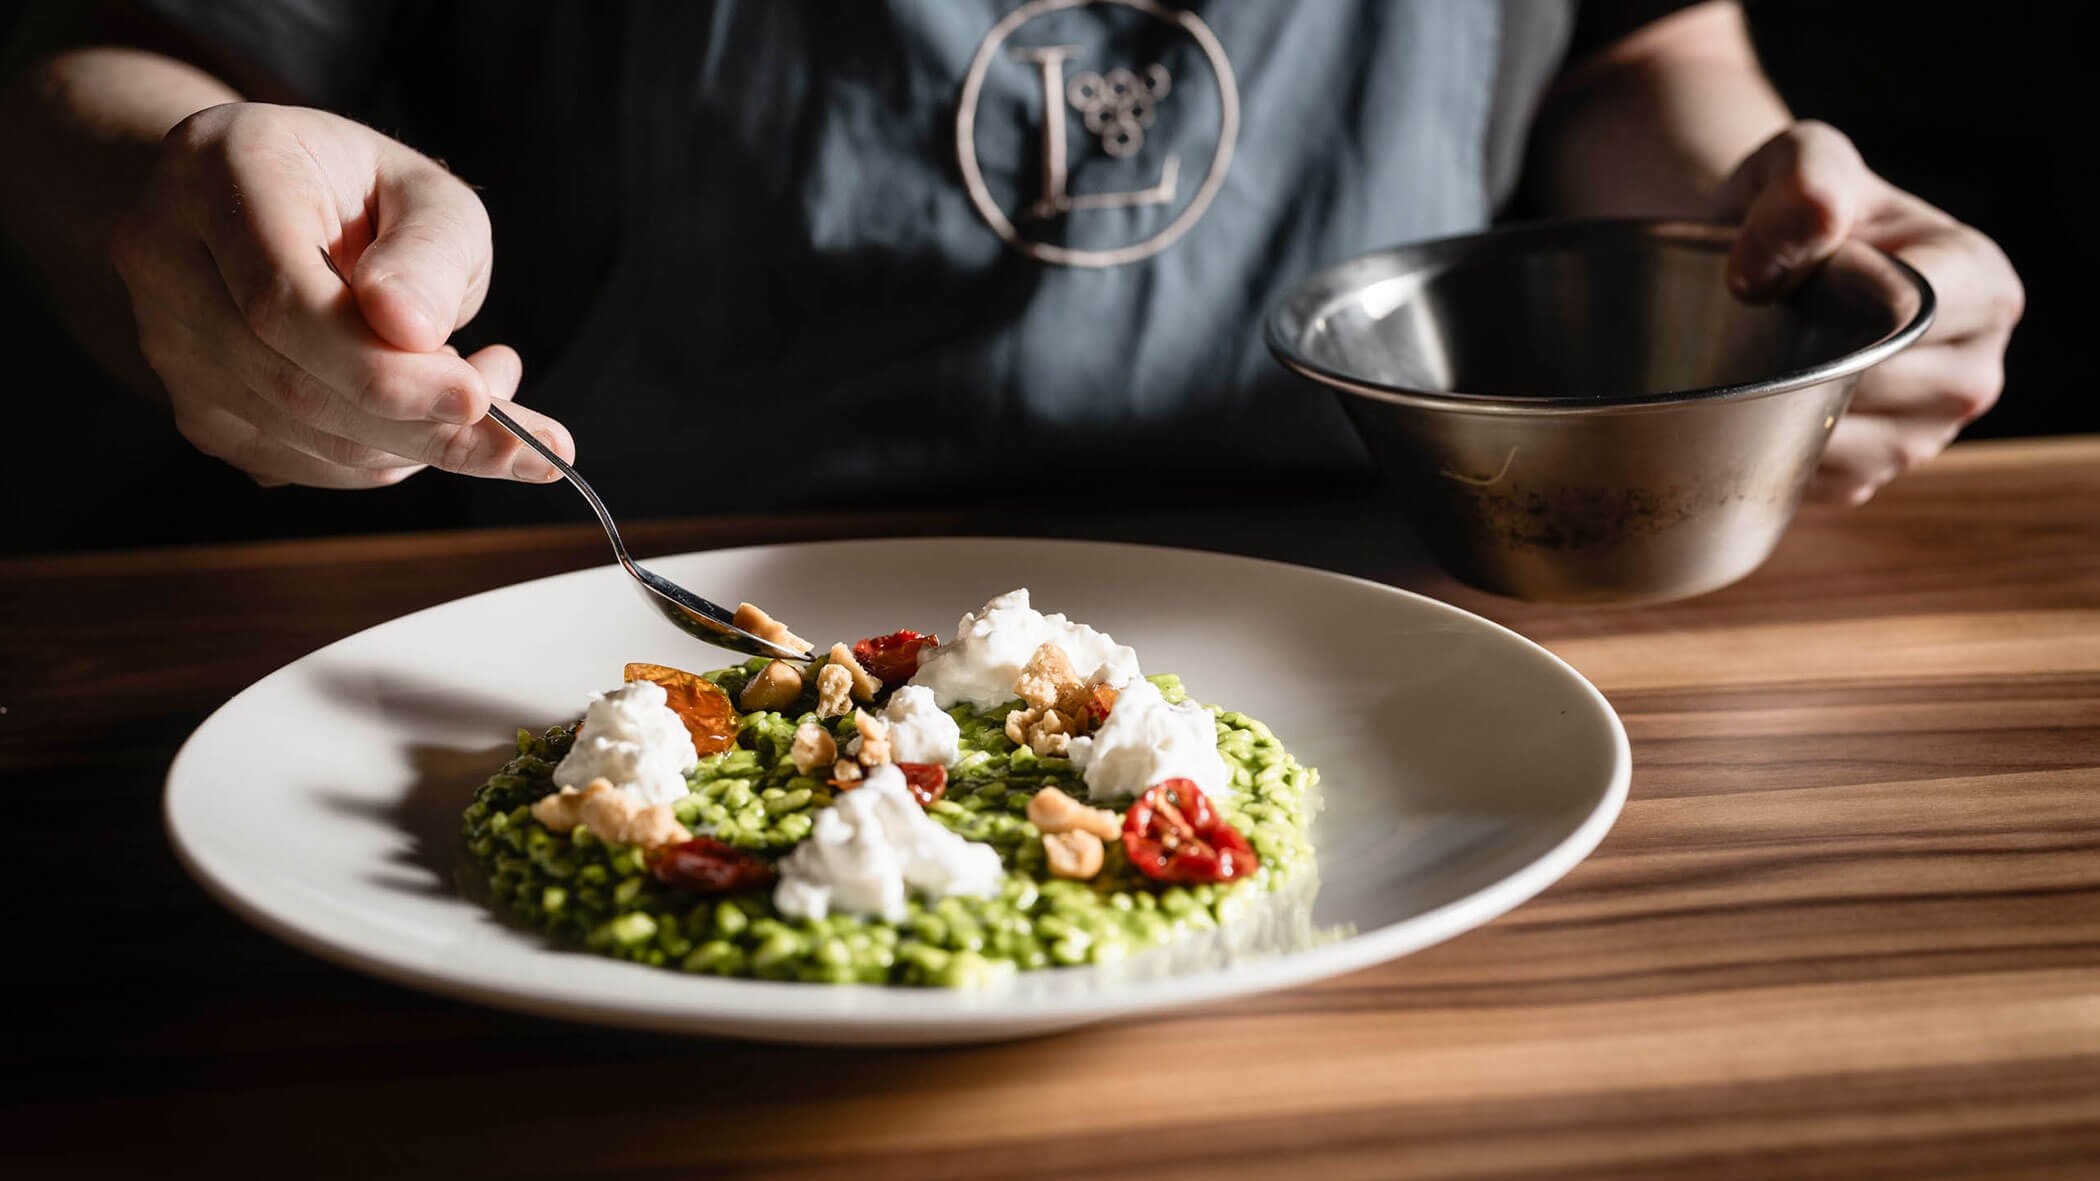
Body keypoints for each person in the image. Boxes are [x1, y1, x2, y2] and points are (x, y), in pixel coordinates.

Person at [0, 1, 2022, 530]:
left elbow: (1638, 54)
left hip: (1399, 614)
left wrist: (1766, 227)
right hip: (570, 608)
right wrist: (178, 189)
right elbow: (94, 74)